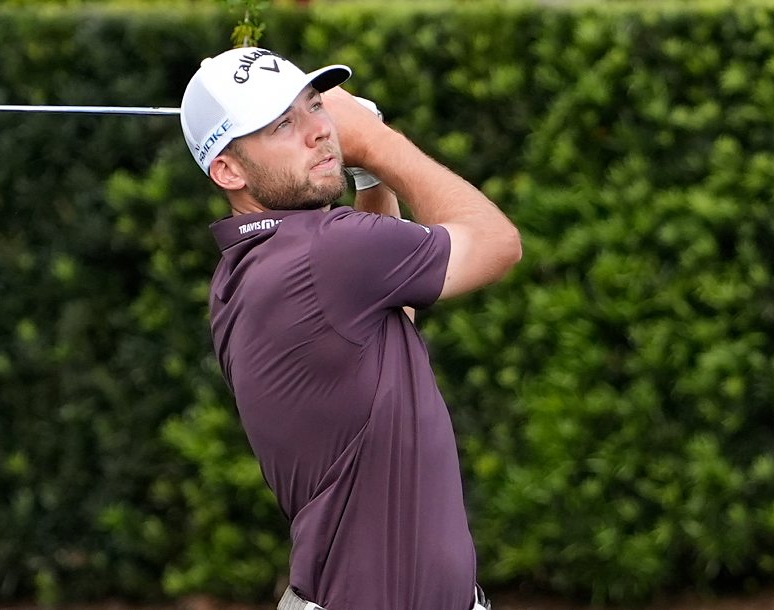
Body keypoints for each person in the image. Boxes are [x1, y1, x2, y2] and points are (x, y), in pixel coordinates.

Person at [180, 47, 521, 610]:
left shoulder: (248, 269)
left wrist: (365, 174)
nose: (320, 131)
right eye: (282, 124)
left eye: (315, 105)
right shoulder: (327, 251)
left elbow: (388, 316)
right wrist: (376, 143)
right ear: (228, 170)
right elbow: (498, 244)